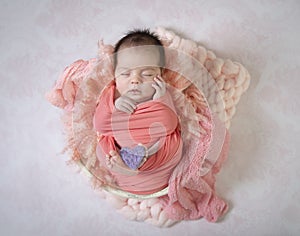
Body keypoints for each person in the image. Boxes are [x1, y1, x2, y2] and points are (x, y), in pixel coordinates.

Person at [93, 29, 183, 194]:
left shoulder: (161, 95)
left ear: (161, 75)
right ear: (114, 74)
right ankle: (126, 168)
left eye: (147, 74)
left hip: (157, 160)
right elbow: (100, 126)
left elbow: (170, 124)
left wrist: (160, 100)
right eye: (125, 73)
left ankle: (138, 167)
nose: (135, 80)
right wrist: (114, 107)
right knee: (102, 147)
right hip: (119, 153)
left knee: (174, 144)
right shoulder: (112, 96)